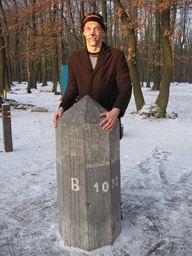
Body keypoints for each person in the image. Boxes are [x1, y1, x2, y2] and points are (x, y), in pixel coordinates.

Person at [53, 12, 132, 133]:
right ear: (83, 32)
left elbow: (125, 87)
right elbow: (71, 90)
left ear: (103, 31)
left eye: (96, 28)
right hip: (82, 122)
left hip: (108, 121)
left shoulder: (116, 56)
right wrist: (62, 107)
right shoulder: (75, 58)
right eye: (88, 28)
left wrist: (115, 111)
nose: (92, 32)